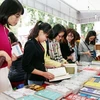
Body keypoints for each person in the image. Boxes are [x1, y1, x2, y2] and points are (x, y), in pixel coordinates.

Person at [0, 0, 24, 92]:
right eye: (17, 16)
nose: (18, 19)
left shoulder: (5, 30)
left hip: (4, 74)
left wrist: (10, 57)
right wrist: (3, 53)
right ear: (7, 11)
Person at [22, 21, 54, 85]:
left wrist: (48, 66)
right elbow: (26, 66)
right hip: (33, 79)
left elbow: (36, 61)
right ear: (41, 32)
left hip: (39, 78)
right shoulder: (31, 44)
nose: (46, 39)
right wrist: (43, 73)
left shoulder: (38, 43)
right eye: (46, 36)